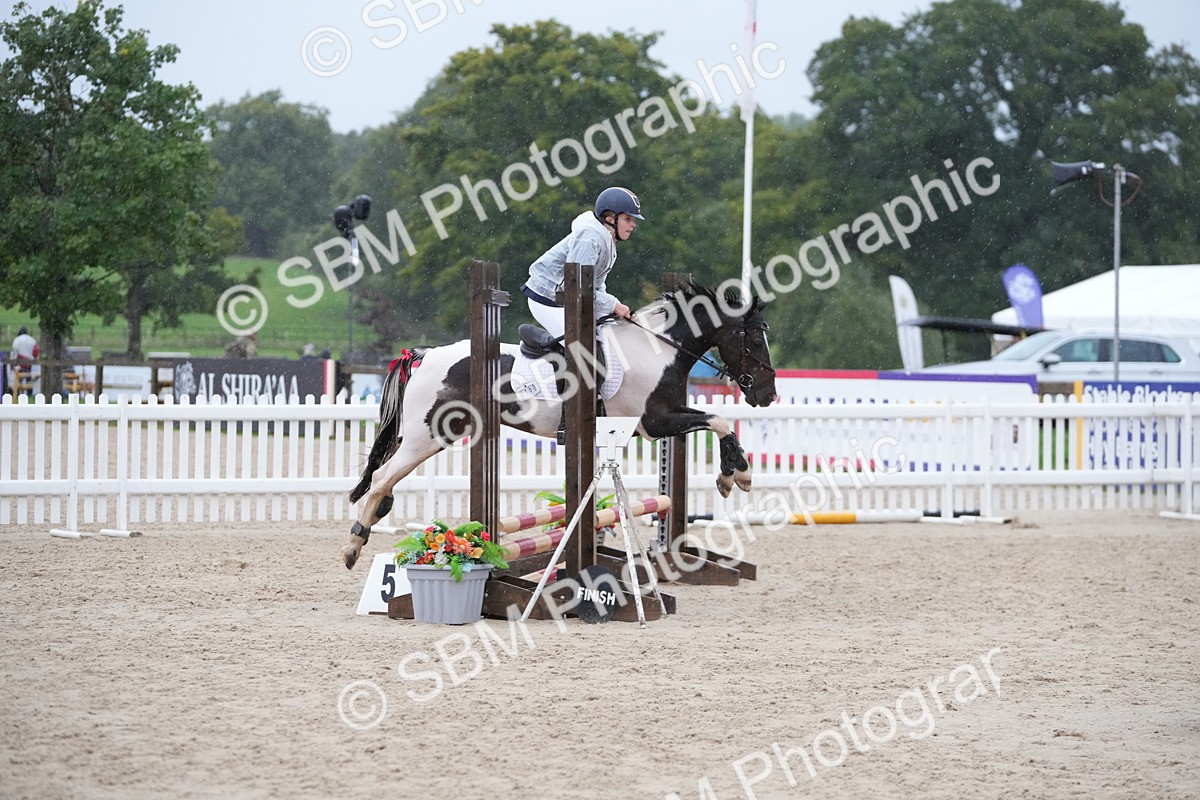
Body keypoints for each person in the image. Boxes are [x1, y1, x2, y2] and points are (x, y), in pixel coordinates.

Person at [520, 186, 643, 338]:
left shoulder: (608, 242)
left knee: (612, 335)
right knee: (578, 348)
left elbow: (595, 285)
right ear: (610, 219)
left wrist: (613, 308)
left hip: (570, 297)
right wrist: (613, 305)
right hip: (547, 299)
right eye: (628, 219)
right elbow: (577, 285)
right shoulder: (589, 238)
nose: (633, 224)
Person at [9, 326, 38, 397]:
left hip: (20, 362)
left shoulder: (17, 339)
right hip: (29, 363)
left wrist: (12, 362)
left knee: (19, 379)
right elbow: (35, 352)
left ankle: (18, 394)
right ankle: (29, 394)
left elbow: (14, 351)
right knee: (28, 378)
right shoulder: (32, 340)